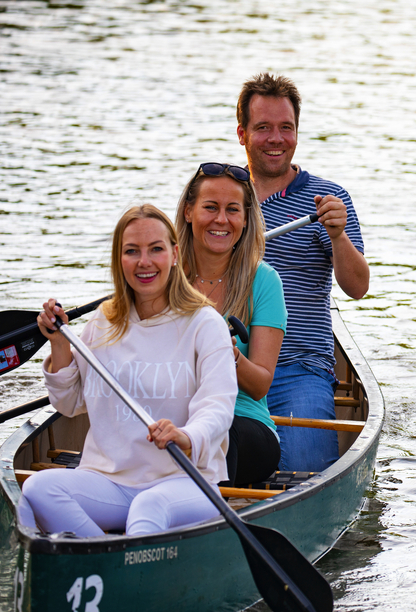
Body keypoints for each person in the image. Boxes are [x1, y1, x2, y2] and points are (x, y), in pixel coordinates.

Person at [19, 204, 237, 537]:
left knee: (148, 507)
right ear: (119, 260)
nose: (144, 262)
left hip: (184, 482)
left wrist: (186, 435)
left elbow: (218, 407)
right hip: (108, 481)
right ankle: (101, 565)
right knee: (36, 491)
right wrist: (58, 343)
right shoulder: (103, 321)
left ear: (175, 254)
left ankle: (114, 571)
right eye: (131, 251)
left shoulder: (205, 323)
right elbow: (68, 404)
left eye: (156, 249)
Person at [236, 73, 369, 472]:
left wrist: (338, 235)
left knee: (302, 476)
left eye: (286, 128)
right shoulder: (221, 198)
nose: (276, 138)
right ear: (242, 133)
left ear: (296, 132)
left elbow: (357, 288)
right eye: (263, 128)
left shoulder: (329, 199)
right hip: (224, 363)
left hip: (300, 366)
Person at [176, 162, 286, 486]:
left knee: (218, 432)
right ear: (188, 212)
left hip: (243, 423)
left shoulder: (264, 281)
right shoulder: (164, 277)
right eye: (210, 207)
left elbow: (260, 384)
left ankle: (210, 524)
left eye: (232, 210)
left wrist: (227, 353)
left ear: (245, 219)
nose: (221, 220)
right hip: (175, 415)